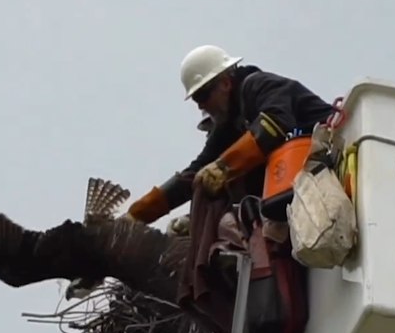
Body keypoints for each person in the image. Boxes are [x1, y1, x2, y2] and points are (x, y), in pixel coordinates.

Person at [125, 45, 335, 224]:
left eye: (202, 95)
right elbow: (196, 173)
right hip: (296, 195)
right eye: (196, 99)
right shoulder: (229, 124)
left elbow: (274, 125)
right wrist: (137, 214)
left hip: (332, 166)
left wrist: (224, 167)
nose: (201, 106)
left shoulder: (259, 86)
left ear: (225, 83)